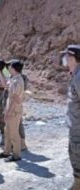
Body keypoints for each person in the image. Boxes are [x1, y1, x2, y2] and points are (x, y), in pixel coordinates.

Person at [0, 59, 24, 162]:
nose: (9, 68)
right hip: (10, 109)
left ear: (14, 68)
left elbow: (15, 99)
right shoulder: (13, 79)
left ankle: (16, 154)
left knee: (13, 132)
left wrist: (8, 112)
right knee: (7, 131)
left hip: (14, 110)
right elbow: (4, 85)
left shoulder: (18, 81)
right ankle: (6, 151)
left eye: (10, 66)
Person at [60, 44, 80, 190]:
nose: (64, 59)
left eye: (67, 56)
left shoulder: (79, 77)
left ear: (73, 58)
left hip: (79, 128)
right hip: (75, 126)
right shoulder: (74, 74)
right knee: (74, 154)